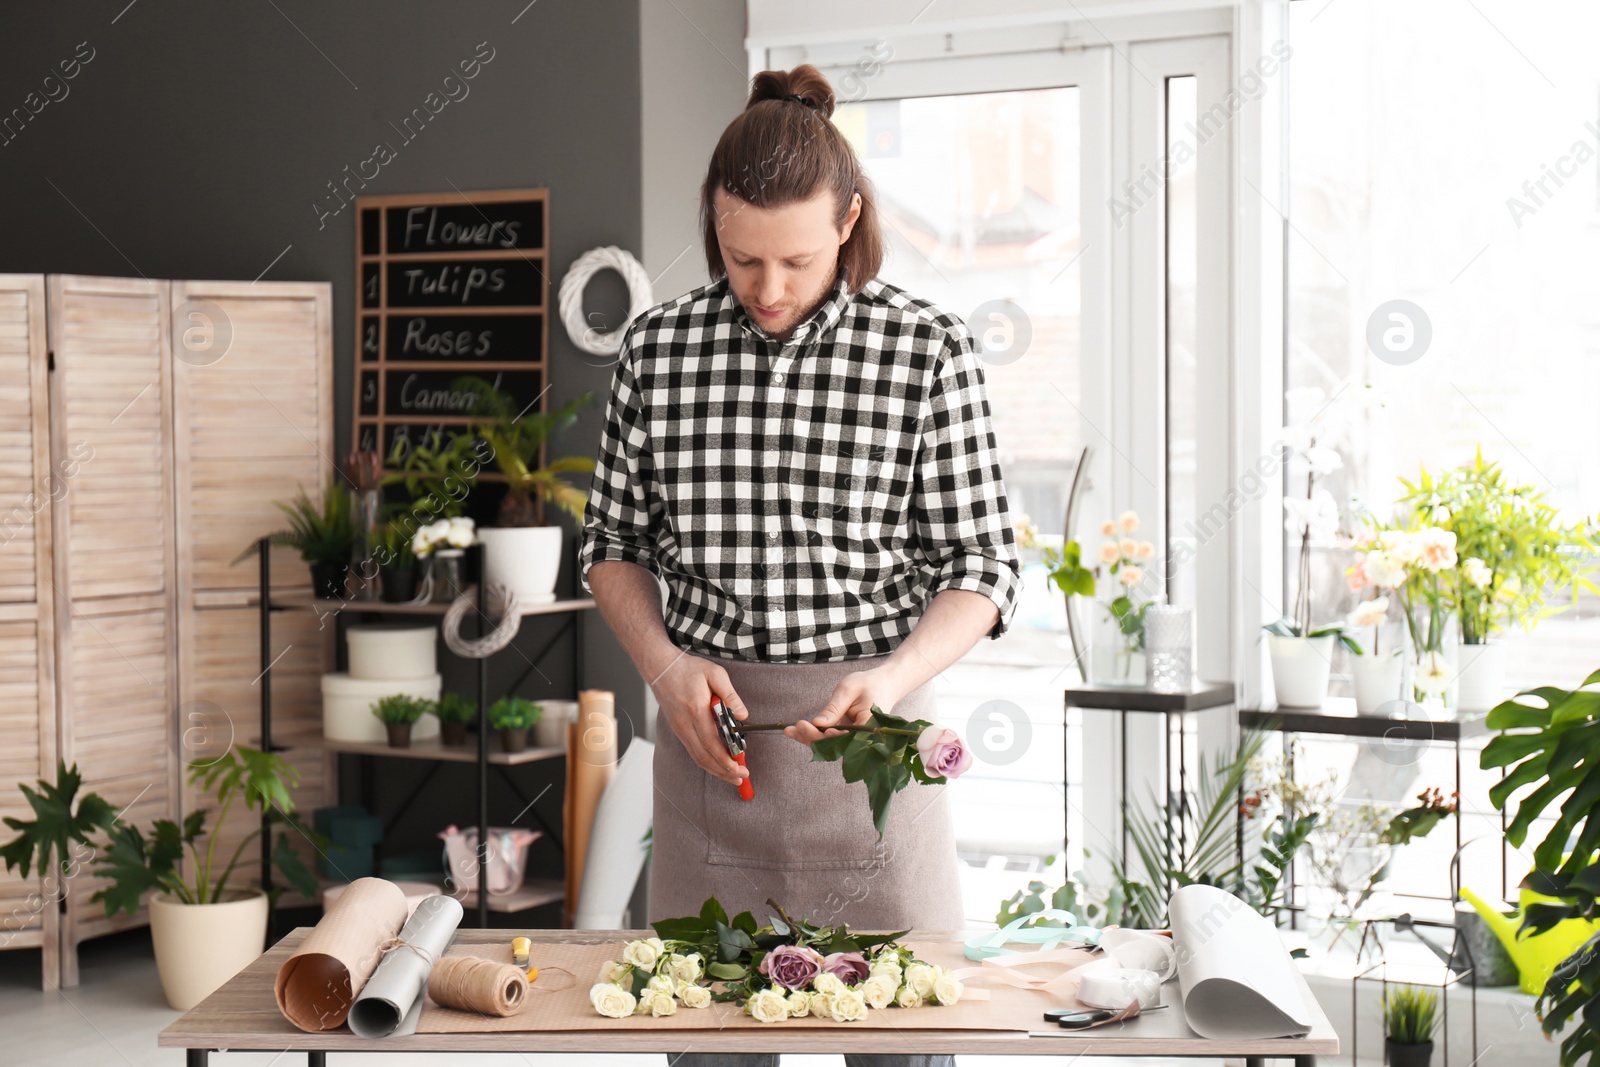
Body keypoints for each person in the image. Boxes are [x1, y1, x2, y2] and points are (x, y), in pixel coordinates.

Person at [579, 63, 1019, 1067]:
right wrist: (664, 667)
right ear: (713, 226)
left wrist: (895, 675)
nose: (768, 290)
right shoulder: (656, 351)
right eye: (742, 260)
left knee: (903, 1049)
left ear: (848, 218)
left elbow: (984, 565)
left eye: (794, 260)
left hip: (870, 748)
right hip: (712, 747)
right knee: (711, 1045)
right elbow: (611, 549)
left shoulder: (926, 351)